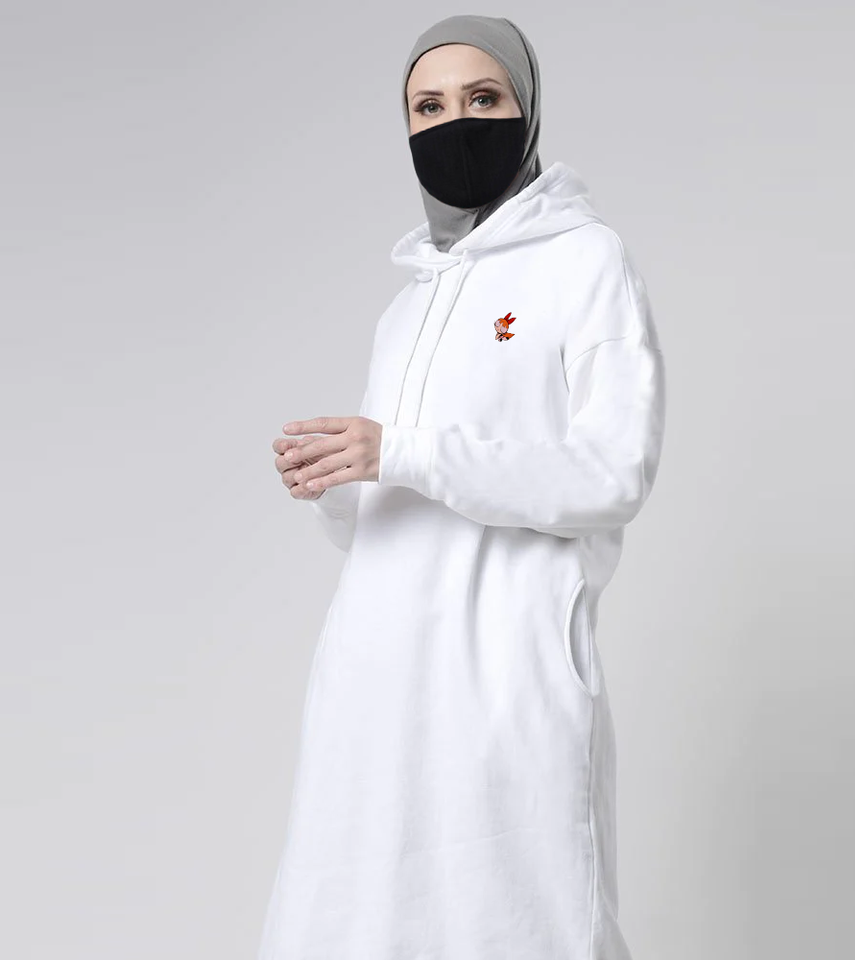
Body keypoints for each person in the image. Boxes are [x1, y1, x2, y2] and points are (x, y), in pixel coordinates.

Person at [262, 14, 666, 960]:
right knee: (355, 928)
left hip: (502, 676)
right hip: (371, 684)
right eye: (428, 107)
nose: (455, 123)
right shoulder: (408, 303)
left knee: (516, 925)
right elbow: (383, 513)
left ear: (528, 110)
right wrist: (336, 478)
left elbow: (612, 473)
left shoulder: (584, 260)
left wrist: (400, 450)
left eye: (483, 98)